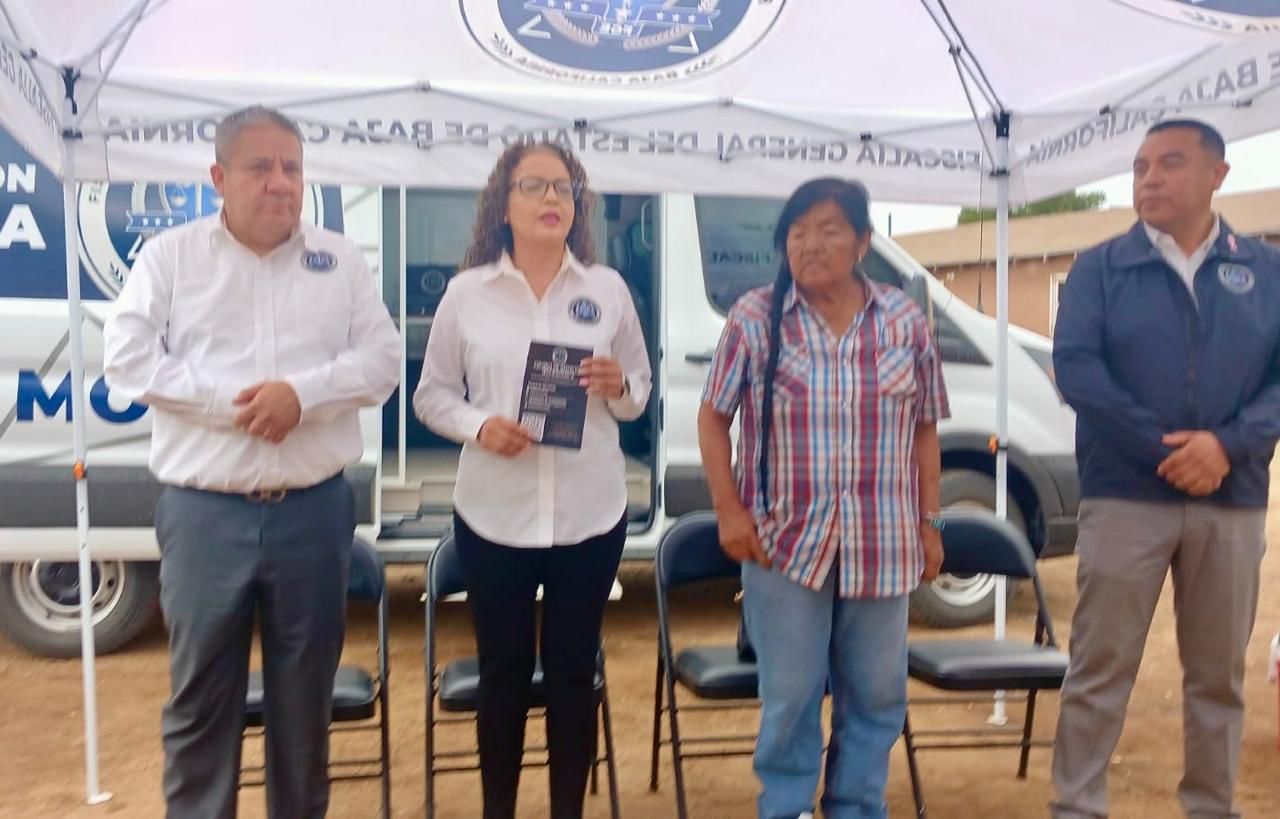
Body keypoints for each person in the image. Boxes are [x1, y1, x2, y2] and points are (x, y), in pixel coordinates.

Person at [103, 105, 401, 818]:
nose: (280, 182)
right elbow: (127, 359)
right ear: (218, 177)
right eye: (260, 166)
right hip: (205, 515)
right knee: (201, 703)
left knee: (305, 705)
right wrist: (231, 405)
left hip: (313, 512)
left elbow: (383, 359)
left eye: (292, 168)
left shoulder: (340, 260)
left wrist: (302, 396)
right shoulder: (171, 258)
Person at [698, 177, 948, 819]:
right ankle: (784, 809)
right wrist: (728, 510)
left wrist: (930, 523)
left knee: (876, 697)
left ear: (863, 241)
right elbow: (713, 418)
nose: (810, 244)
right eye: (797, 232)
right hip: (782, 544)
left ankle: (855, 808)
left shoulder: (904, 320)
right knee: (790, 699)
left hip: (883, 542)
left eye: (829, 229)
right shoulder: (755, 318)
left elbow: (925, 428)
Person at [413, 141, 651, 819]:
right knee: (504, 674)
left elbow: (639, 392)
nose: (552, 198)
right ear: (503, 204)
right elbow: (431, 396)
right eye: (535, 186)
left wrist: (619, 385)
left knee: (574, 674)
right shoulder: (467, 294)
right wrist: (478, 425)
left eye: (564, 187)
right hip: (494, 515)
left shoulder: (607, 290)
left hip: (589, 515)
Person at [1050, 118, 1280, 818]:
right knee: (1099, 669)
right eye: (1140, 166)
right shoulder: (1099, 268)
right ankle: (1077, 806)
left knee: (1217, 676)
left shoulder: (1265, 271)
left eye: (1169, 163)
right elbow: (1078, 371)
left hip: (1231, 498)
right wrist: (1168, 450)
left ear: (1217, 174)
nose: (1149, 178)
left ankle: (1211, 805)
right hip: (1126, 497)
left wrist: (1227, 446)